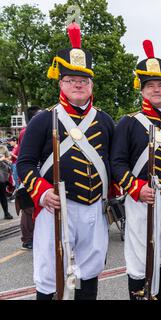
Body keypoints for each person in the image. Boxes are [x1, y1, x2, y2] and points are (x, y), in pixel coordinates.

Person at [17, 22, 115, 300]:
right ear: (61, 83)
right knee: (50, 274)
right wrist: (43, 192)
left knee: (90, 270)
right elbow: (24, 163)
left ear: (91, 84)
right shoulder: (43, 120)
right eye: (71, 80)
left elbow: (113, 161)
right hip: (55, 207)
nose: (78, 85)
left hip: (94, 208)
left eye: (83, 80)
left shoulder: (105, 120)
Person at [111, 39, 161, 300]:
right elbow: (116, 163)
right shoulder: (129, 123)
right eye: (151, 85)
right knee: (140, 257)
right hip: (141, 201)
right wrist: (135, 188)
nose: (156, 89)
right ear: (142, 90)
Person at [15, 106, 41, 250]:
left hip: (37, 171)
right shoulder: (27, 131)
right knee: (28, 207)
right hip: (30, 173)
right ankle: (27, 239)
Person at [0, 144, 13, 220]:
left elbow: (9, 159)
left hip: (2, 175)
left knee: (2, 195)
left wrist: (4, 158)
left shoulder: (3, 147)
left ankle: (6, 213)